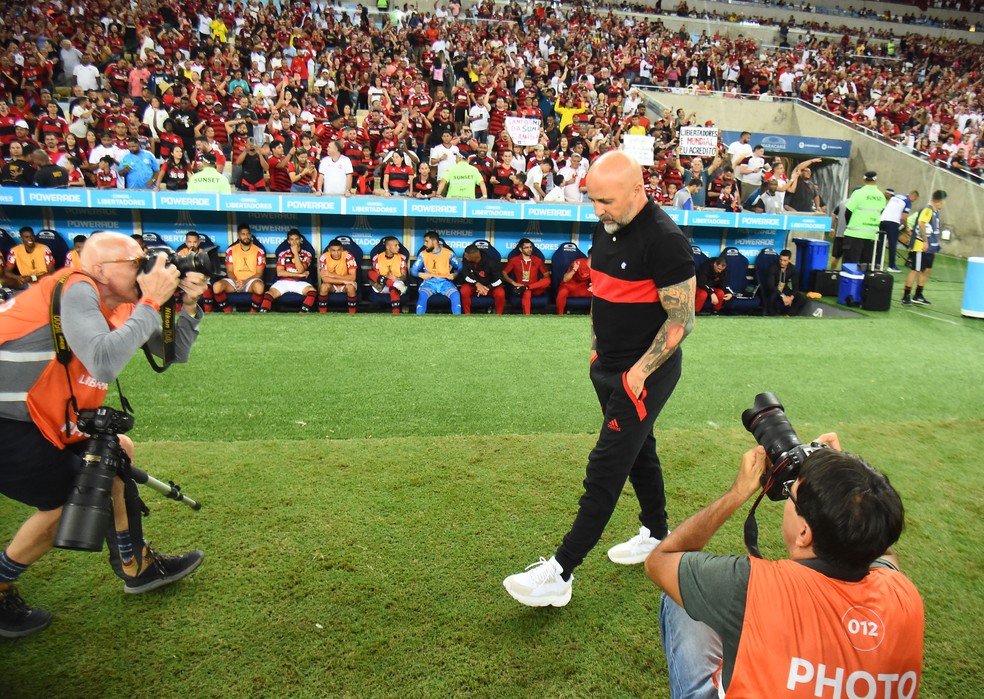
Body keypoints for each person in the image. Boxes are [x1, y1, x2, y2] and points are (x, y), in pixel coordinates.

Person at [503, 150, 695, 607]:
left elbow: (681, 321)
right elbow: (600, 291)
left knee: (606, 467)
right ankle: (656, 531)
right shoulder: (604, 225)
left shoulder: (666, 240)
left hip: (643, 374)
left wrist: (637, 373)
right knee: (639, 451)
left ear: (638, 190)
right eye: (592, 200)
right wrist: (595, 342)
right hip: (606, 365)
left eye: (606, 201)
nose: (597, 210)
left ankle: (560, 573)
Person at [0, 231, 207, 638]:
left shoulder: (120, 299)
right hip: (8, 419)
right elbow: (104, 361)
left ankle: (137, 566)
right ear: (98, 269)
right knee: (70, 497)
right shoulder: (77, 286)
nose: (144, 266)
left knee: (116, 454)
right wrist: (150, 302)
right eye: (134, 261)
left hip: (44, 415)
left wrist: (187, 304)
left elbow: (171, 354)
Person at [645, 433, 923, 698]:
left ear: (804, 534)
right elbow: (883, 550)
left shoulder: (755, 586)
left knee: (679, 597)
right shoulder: (903, 596)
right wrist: (847, 493)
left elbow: (661, 561)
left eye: (791, 492)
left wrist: (737, 493)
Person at [901, 190, 946, 306]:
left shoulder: (935, 212)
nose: (944, 204)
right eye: (943, 201)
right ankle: (906, 295)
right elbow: (921, 224)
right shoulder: (928, 210)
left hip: (930, 247)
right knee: (915, 269)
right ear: (939, 201)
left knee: (926, 270)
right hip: (921, 246)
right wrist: (925, 241)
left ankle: (918, 294)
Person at [211, 223, 266, 313]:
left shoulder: (259, 251)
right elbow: (229, 271)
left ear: (251, 235)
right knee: (216, 287)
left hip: (250, 281)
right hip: (235, 281)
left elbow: (259, 273)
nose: (246, 236)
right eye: (243, 234)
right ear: (239, 236)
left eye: (248, 234)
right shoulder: (231, 250)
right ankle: (227, 312)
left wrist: (244, 282)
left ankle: (253, 313)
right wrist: (237, 281)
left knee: (259, 288)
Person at [260, 229, 316, 313]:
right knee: (269, 293)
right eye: (292, 240)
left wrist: (296, 253)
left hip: (299, 282)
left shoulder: (307, 254)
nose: (294, 242)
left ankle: (302, 313)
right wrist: (298, 275)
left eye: (296, 239)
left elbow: (301, 269)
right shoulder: (283, 254)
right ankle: (262, 316)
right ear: (288, 241)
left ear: (300, 240)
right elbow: (280, 273)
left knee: (312, 292)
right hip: (284, 282)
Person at [411, 231, 461, 315]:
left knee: (455, 295)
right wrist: (420, 274)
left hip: (444, 282)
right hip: (430, 282)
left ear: (434, 241)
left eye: (426, 241)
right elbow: (413, 270)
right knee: (423, 295)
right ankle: (418, 322)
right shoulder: (423, 254)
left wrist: (455, 274)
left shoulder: (448, 253)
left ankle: (458, 323)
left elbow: (460, 266)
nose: (424, 244)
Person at [843, 171, 886, 265]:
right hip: (872, 234)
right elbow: (881, 212)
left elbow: (848, 212)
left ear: (864, 179)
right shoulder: (881, 196)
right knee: (866, 266)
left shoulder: (859, 193)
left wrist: (849, 225)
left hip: (854, 233)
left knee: (850, 265)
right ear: (876, 180)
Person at [502, 239, 551, 316]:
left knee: (547, 280)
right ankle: (527, 316)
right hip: (521, 288)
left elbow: (546, 274)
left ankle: (527, 287)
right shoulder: (514, 260)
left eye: (530, 247)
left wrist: (541, 280)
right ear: (520, 249)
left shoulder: (538, 260)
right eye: (526, 247)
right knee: (527, 292)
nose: (529, 249)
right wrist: (513, 282)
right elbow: (504, 273)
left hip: (535, 288)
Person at [459, 244, 506, 315]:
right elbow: (466, 276)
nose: (464, 256)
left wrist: (488, 287)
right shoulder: (466, 261)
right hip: (474, 286)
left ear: (473, 257)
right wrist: (477, 284)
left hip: (490, 287)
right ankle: (467, 314)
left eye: (466, 255)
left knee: (500, 292)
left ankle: (499, 315)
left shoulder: (491, 262)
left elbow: (500, 279)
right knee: (464, 290)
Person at [879, 190, 918, 273]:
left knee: (881, 243)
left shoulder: (897, 196)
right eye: (914, 200)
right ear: (913, 196)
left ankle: (878, 264)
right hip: (893, 222)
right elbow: (904, 217)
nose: (913, 201)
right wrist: (906, 227)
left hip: (882, 220)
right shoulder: (908, 201)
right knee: (892, 244)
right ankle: (891, 266)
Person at [317, 238, 359, 314]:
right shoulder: (324, 257)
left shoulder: (348, 256)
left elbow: (353, 277)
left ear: (342, 249)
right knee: (323, 287)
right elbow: (325, 279)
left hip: (346, 285)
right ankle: (322, 313)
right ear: (329, 250)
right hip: (332, 285)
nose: (336, 253)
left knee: (350, 287)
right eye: (333, 250)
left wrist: (331, 275)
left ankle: (352, 314)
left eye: (339, 250)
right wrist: (344, 280)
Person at [369, 236, 408, 314]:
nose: (398, 247)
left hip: (397, 283)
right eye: (396, 245)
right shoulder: (377, 258)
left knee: (393, 289)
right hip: (382, 284)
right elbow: (375, 276)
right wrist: (387, 279)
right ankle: (393, 284)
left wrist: (397, 278)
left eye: (398, 245)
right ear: (387, 247)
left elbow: (404, 276)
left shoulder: (402, 258)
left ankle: (396, 314)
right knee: (370, 273)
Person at [763, 249, 807, 316]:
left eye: (785, 260)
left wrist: (791, 297)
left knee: (801, 299)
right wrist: (783, 296)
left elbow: (795, 285)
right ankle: (772, 316)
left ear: (789, 260)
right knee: (772, 298)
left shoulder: (792, 268)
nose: (782, 262)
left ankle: (789, 315)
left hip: (785, 289)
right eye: (780, 260)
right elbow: (770, 285)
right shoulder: (773, 267)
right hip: (774, 289)